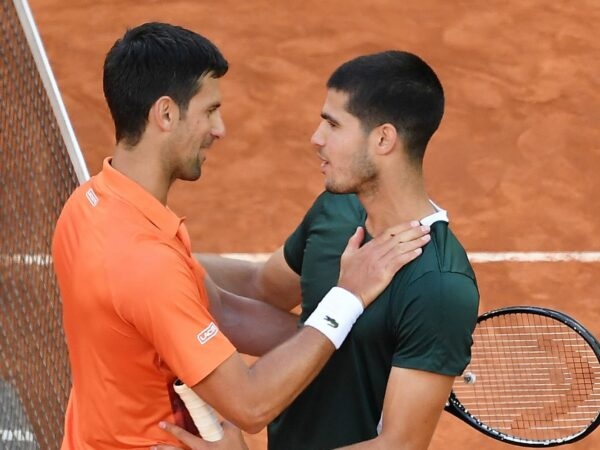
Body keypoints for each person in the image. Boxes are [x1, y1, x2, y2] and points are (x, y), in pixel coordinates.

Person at [51, 24, 431, 450]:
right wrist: (347, 298)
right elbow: (250, 405)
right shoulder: (147, 264)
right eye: (209, 110)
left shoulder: (89, 206)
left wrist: (360, 353)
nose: (220, 128)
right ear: (166, 114)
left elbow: (225, 314)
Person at [160, 50, 480, 449]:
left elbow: (398, 445)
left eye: (332, 124)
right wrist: (161, 256)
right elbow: (262, 286)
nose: (316, 138)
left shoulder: (440, 285)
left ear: (383, 139)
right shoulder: (338, 210)